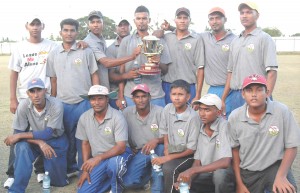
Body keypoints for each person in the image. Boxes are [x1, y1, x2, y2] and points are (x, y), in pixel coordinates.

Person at [5, 15, 58, 188]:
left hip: (45, 97)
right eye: (32, 24)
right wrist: (13, 98)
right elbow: (14, 73)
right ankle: (12, 174)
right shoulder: (19, 47)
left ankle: (41, 170)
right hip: (24, 97)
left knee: (42, 133)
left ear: (43, 25)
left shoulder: (52, 45)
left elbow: (56, 71)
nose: (35, 27)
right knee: (19, 134)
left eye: (38, 24)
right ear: (26, 26)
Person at [228, 74, 300, 193]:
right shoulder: (235, 117)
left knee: (287, 190)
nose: (254, 94)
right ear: (243, 94)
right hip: (248, 170)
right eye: (249, 90)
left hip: (275, 167)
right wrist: (239, 184)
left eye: (259, 89)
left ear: (267, 92)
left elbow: (291, 146)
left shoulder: (282, 111)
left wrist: (281, 176)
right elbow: (234, 150)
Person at [46, 18, 100, 176]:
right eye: (66, 30)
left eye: (72, 30)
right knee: (67, 138)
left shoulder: (86, 51)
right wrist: (53, 101)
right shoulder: (54, 54)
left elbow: (94, 74)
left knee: (84, 138)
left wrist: (95, 97)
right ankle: (70, 169)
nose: (69, 33)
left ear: (77, 32)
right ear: (60, 32)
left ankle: (86, 168)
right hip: (63, 104)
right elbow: (53, 79)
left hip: (84, 102)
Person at [4, 78, 69, 193]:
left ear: (45, 90)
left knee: (59, 182)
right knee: (22, 147)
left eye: (39, 90)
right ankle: (16, 190)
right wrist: (40, 143)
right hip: (36, 141)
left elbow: (48, 133)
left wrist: (21, 136)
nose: (36, 95)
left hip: (55, 140)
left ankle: (47, 169)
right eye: (32, 91)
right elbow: (18, 133)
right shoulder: (24, 105)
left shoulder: (56, 104)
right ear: (27, 93)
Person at [221, 2, 278, 113]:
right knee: (237, 128)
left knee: (259, 128)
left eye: (249, 12)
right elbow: (230, 73)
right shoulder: (235, 41)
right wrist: (223, 98)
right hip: (236, 95)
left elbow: (272, 72)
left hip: (256, 95)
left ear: (257, 15)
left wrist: (266, 97)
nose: (244, 15)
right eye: (242, 13)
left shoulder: (265, 39)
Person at [76, 85, 132, 193]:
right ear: (89, 101)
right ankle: (110, 182)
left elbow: (121, 147)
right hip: (99, 158)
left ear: (107, 99)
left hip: (119, 154)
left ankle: (116, 189)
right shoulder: (84, 117)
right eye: (93, 99)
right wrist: (86, 169)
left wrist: (98, 158)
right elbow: (85, 144)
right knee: (83, 191)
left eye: (100, 98)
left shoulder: (117, 117)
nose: (96, 102)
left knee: (114, 164)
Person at [175, 94, 235, 193]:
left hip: (224, 175)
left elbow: (225, 162)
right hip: (206, 174)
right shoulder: (200, 128)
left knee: (219, 175)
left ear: (218, 112)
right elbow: (197, 162)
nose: (202, 114)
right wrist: (189, 178)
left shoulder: (224, 126)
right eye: (200, 109)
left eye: (207, 110)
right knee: (182, 184)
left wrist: (193, 171)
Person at [117, 5, 172, 108]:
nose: (141, 21)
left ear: (149, 20)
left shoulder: (159, 40)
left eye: (144, 18)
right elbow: (121, 70)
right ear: (134, 21)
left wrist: (158, 63)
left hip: (154, 93)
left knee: (158, 124)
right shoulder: (126, 41)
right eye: (138, 18)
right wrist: (120, 96)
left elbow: (165, 70)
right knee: (131, 124)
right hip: (131, 94)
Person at [152, 79, 201, 193]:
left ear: (188, 96)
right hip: (172, 151)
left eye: (180, 94)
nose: (177, 98)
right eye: (174, 94)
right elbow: (165, 132)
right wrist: (166, 150)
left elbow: (191, 149)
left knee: (169, 168)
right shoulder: (168, 109)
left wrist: (168, 158)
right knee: (156, 160)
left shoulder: (193, 117)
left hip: (187, 155)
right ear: (170, 95)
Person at [122, 84, 164, 193]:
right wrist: (130, 146)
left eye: (144, 96)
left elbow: (169, 136)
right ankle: (148, 176)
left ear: (149, 97)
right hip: (141, 151)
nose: (141, 100)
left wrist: (156, 140)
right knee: (128, 182)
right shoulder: (126, 112)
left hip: (158, 148)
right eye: (137, 97)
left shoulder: (160, 111)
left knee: (158, 155)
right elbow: (121, 134)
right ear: (133, 99)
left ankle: (157, 188)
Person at [84, 11, 140, 91]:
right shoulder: (89, 41)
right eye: (92, 22)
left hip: (109, 88)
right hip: (97, 90)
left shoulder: (102, 40)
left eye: (98, 22)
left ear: (103, 24)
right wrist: (132, 57)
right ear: (88, 25)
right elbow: (107, 63)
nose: (96, 25)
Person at [196, 7, 237, 117]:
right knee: (213, 124)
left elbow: (232, 70)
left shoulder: (235, 40)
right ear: (209, 22)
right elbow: (187, 33)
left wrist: (223, 98)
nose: (214, 21)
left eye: (218, 18)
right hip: (213, 89)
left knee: (229, 122)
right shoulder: (204, 37)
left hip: (231, 90)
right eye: (211, 19)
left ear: (225, 20)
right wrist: (168, 28)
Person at [160, 7, 204, 104]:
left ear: (189, 20)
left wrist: (198, 94)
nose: (182, 20)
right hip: (168, 85)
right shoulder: (166, 37)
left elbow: (200, 68)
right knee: (168, 115)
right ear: (175, 20)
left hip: (188, 86)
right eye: (179, 18)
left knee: (188, 117)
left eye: (185, 18)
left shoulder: (196, 39)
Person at [106, 19, 140, 109]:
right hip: (117, 94)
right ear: (115, 28)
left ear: (131, 27)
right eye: (120, 25)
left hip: (136, 91)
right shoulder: (110, 49)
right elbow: (111, 76)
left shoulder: (138, 43)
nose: (123, 27)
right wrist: (120, 96)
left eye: (125, 25)